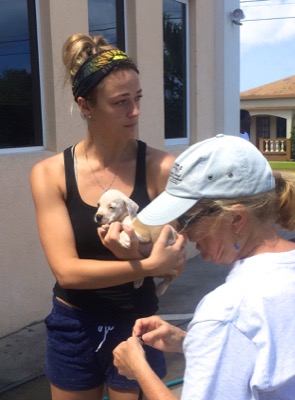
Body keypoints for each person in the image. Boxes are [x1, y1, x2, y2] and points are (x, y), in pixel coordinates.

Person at [113, 134, 295, 400]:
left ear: (236, 219)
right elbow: (279, 360)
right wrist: (194, 342)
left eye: (187, 219)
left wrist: (139, 369)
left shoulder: (228, 309)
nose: (185, 234)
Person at [30, 33, 186, 400]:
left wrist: (136, 258)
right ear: (85, 105)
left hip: (137, 324)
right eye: (120, 102)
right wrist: (143, 266)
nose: (134, 112)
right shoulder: (50, 173)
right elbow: (68, 272)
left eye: (138, 98)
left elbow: (172, 263)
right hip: (75, 326)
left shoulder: (162, 168)